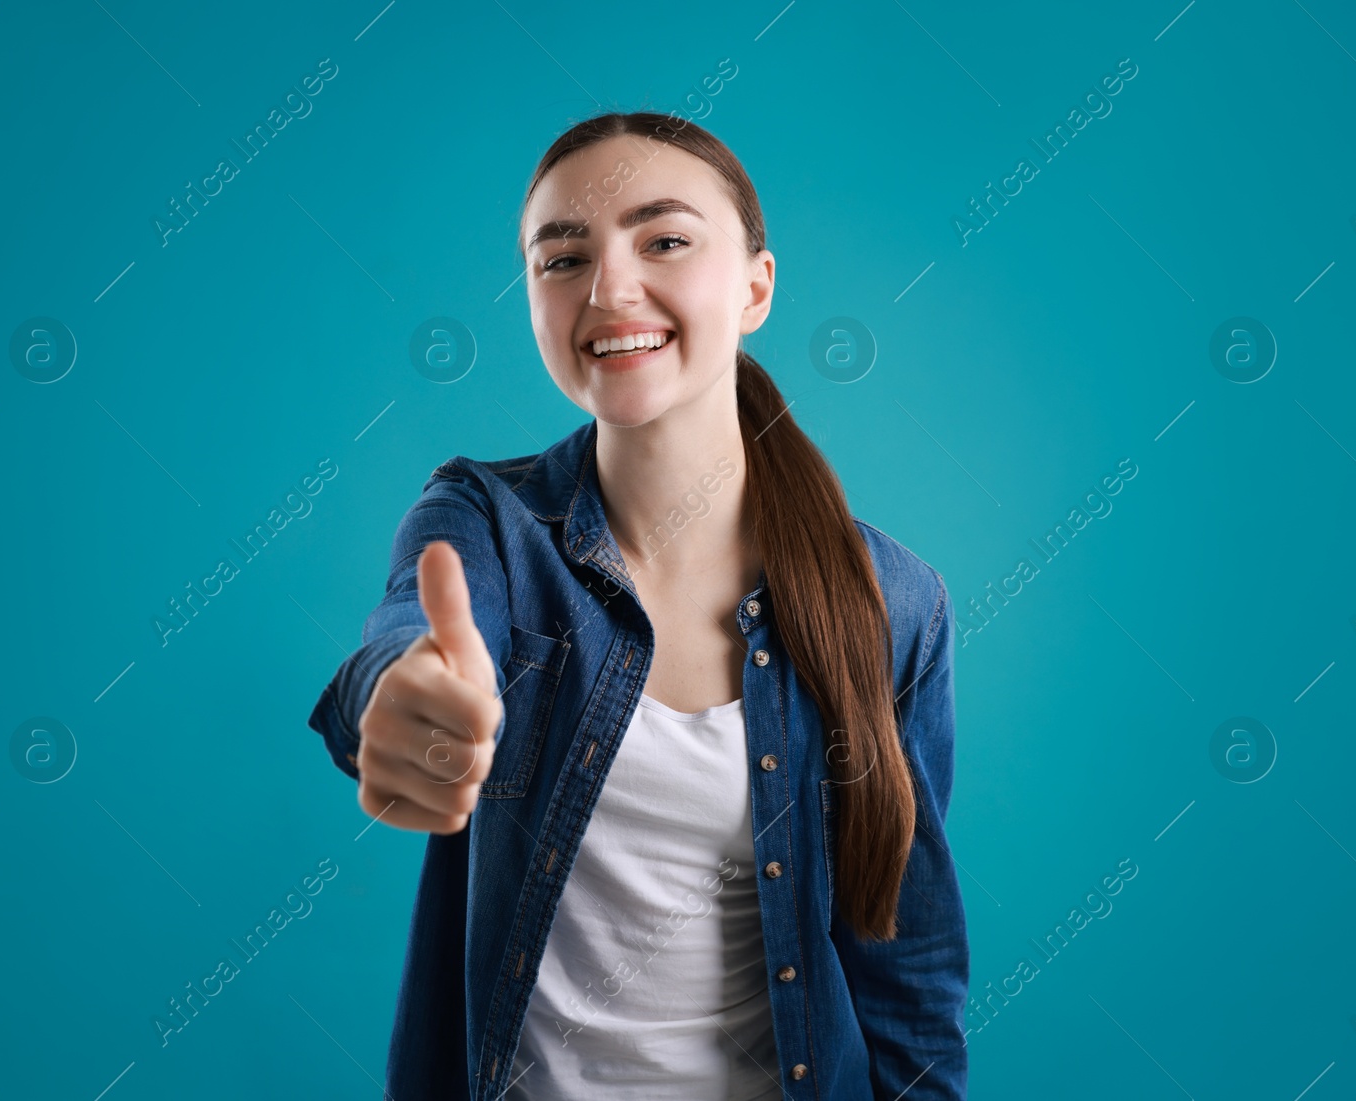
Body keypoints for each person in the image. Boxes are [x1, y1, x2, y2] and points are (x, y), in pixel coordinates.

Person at [306, 111, 968, 1100]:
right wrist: (404, 702)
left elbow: (904, 966)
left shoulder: (893, 602)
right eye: (560, 259)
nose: (609, 289)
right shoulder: (485, 519)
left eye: (664, 241)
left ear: (754, 287)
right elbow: (409, 636)